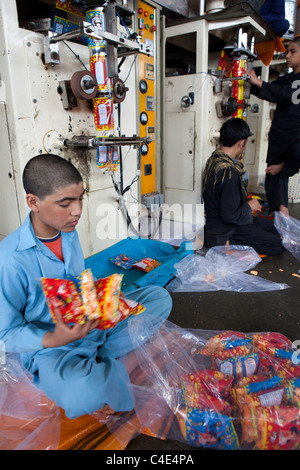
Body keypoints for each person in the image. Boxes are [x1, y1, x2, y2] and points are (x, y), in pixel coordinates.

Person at [0, 154, 172, 419]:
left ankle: (96, 360)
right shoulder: (10, 259)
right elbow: (7, 333)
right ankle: (91, 367)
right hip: (53, 346)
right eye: (65, 203)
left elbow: (80, 283)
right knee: (81, 395)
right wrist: (53, 338)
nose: (77, 210)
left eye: (80, 198)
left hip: (91, 323)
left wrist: (108, 301)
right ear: (33, 202)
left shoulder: (69, 232)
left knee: (159, 297)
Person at [202, 118, 284, 256]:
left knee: (275, 228)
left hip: (224, 222)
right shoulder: (228, 172)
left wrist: (246, 205)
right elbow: (230, 216)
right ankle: (226, 247)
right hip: (226, 230)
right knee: (277, 245)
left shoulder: (215, 159)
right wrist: (249, 207)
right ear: (242, 142)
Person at [246, 37, 300, 215]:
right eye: (287, 51)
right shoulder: (288, 78)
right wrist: (248, 83)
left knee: (281, 171)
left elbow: (284, 94)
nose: (287, 56)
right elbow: (270, 90)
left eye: (293, 52)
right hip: (279, 136)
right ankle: (281, 217)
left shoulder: (296, 82)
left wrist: (258, 81)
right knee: (274, 176)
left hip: (294, 136)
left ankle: (281, 218)